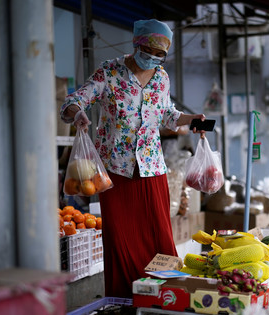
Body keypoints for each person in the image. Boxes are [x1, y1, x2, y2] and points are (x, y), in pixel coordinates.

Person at [60, 19, 207, 298]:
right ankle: (124, 300)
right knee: (121, 241)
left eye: (160, 53)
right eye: (148, 50)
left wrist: (192, 119)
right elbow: (72, 101)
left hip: (152, 169)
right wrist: (79, 113)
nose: (153, 57)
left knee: (159, 237)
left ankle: (164, 297)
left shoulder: (161, 77)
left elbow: (168, 115)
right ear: (136, 44)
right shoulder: (109, 72)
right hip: (115, 172)